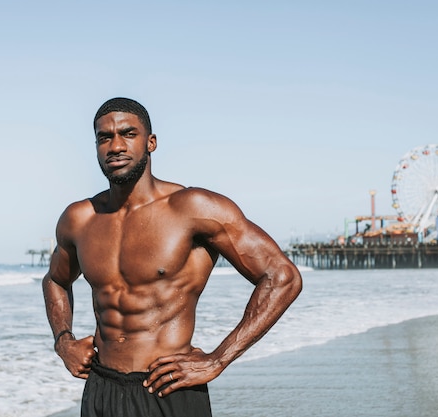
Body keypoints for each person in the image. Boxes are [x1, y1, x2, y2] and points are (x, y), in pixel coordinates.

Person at [42, 97, 303, 417]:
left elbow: (282, 276)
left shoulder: (193, 208)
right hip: (101, 388)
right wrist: (63, 341)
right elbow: (55, 279)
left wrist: (219, 359)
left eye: (128, 133)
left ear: (150, 142)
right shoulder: (79, 219)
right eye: (104, 137)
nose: (116, 146)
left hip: (168, 388)